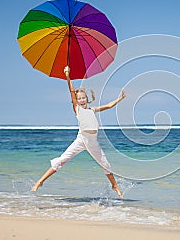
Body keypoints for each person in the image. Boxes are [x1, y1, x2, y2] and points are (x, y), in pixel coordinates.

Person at [31, 66, 125, 198]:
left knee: (105, 164)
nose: (81, 100)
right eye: (79, 98)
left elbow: (108, 106)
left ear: (87, 99)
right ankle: (40, 181)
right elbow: (71, 91)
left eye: (83, 98)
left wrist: (120, 98)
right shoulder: (77, 110)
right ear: (76, 101)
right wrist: (68, 76)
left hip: (92, 142)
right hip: (81, 140)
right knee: (62, 160)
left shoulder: (92, 109)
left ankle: (114, 185)